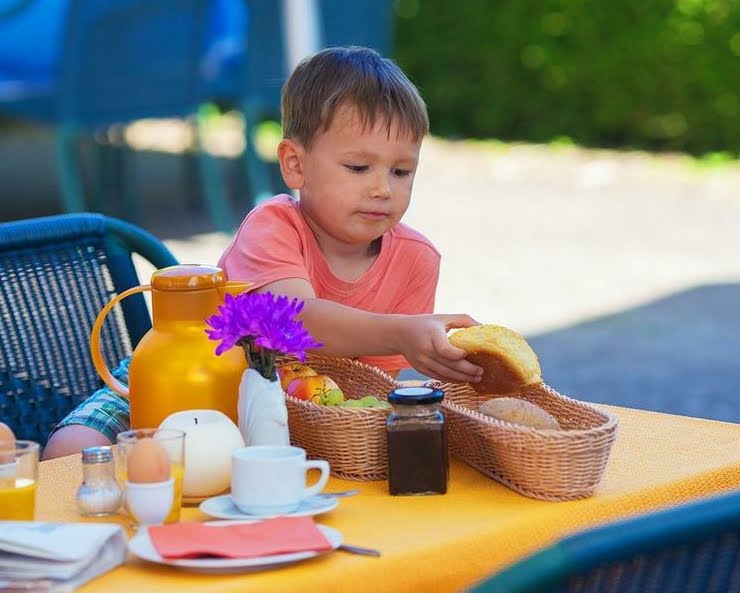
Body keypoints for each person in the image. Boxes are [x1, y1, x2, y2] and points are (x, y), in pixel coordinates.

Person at [43, 46, 482, 459]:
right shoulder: (273, 225)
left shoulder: (416, 259)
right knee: (74, 449)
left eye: (402, 171)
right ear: (295, 165)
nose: (382, 189)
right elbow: (291, 319)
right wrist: (401, 331)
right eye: (358, 167)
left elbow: (367, 385)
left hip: (297, 412)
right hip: (190, 374)